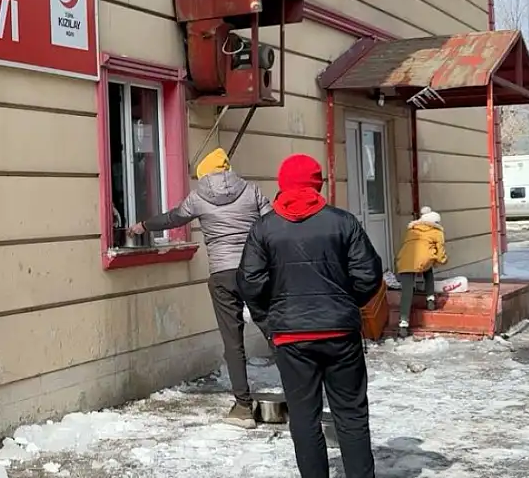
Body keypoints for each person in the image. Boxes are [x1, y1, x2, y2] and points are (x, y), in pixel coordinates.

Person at [238, 153, 382, 478]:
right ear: (318, 183)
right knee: (352, 415)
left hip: (291, 337)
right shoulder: (343, 221)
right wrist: (346, 304)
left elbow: (250, 282)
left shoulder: (264, 228)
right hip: (340, 334)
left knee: (303, 417)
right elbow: (369, 274)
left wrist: (270, 319)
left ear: (282, 184)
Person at [129, 147, 270, 429]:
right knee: (275, 331)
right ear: (227, 168)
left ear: (204, 173)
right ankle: (302, 394)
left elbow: (173, 218)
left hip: (222, 275)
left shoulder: (198, 197)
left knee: (233, 341)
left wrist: (143, 226)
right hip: (256, 272)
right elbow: (272, 222)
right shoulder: (252, 191)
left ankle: (243, 407)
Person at [393, 206, 447, 338]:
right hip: (422, 259)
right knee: (428, 269)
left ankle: (403, 323)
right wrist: (441, 260)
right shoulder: (437, 232)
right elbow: (440, 252)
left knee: (407, 291)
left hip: (404, 259)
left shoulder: (412, 229)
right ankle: (430, 299)